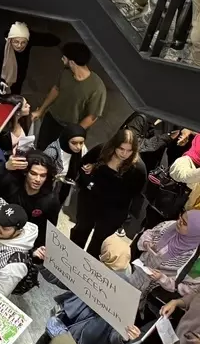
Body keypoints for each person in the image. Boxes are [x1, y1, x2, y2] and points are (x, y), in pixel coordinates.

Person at [70, 129, 145, 257]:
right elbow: (82, 165)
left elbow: (135, 194)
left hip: (113, 210)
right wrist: (88, 182)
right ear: (114, 145)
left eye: (129, 150)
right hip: (90, 200)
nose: (124, 154)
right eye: (121, 149)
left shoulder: (137, 168)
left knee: (99, 243)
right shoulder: (102, 150)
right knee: (80, 231)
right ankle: (69, 259)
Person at [32, 42, 106, 151]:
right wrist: (41, 110)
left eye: (64, 57)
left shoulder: (97, 87)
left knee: (60, 156)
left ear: (71, 62)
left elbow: (92, 116)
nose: (62, 59)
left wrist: (74, 133)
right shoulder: (65, 73)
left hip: (70, 127)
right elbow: (56, 89)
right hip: (52, 118)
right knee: (42, 148)